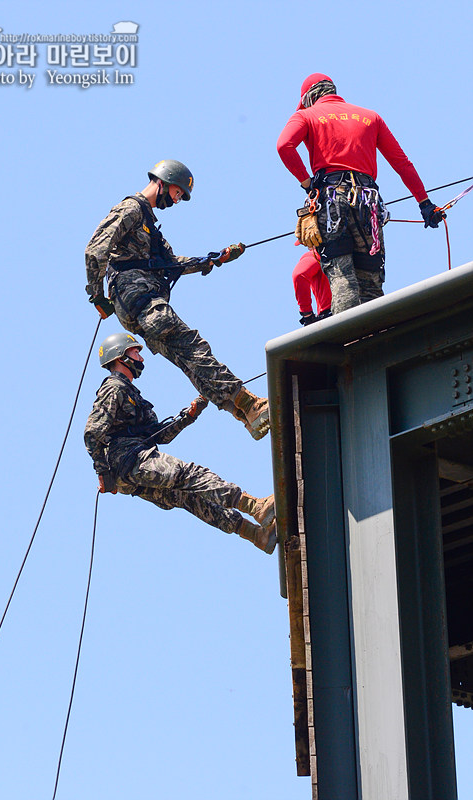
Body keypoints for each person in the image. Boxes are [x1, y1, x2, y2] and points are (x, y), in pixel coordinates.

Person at [85, 159, 269, 441]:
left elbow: (170, 264)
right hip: (141, 299)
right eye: (177, 192)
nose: (177, 199)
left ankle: (245, 414)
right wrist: (97, 295)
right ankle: (251, 404)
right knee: (194, 348)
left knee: (190, 362)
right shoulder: (131, 209)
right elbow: (96, 249)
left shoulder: (149, 224)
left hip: (142, 304)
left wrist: (213, 259)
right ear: (163, 181)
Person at [84, 333, 277, 554]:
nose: (141, 359)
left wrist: (189, 416)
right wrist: (103, 472)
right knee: (189, 474)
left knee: (190, 497)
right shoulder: (114, 388)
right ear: (120, 357)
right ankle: (256, 507)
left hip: (131, 469)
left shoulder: (129, 392)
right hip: (129, 460)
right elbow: (92, 432)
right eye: (135, 352)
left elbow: (158, 436)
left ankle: (257, 535)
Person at [277, 73, 443, 315]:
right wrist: (425, 203)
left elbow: (284, 146)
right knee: (371, 285)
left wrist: (307, 184)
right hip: (368, 205)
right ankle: (376, 341)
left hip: (332, 202)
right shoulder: (370, 117)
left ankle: (352, 345)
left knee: (342, 278)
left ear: (310, 98)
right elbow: (402, 163)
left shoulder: (306, 115)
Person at [292, 248, 331, 326]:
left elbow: (299, 275)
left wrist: (307, 314)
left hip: (333, 316)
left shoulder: (316, 254)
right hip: (361, 308)